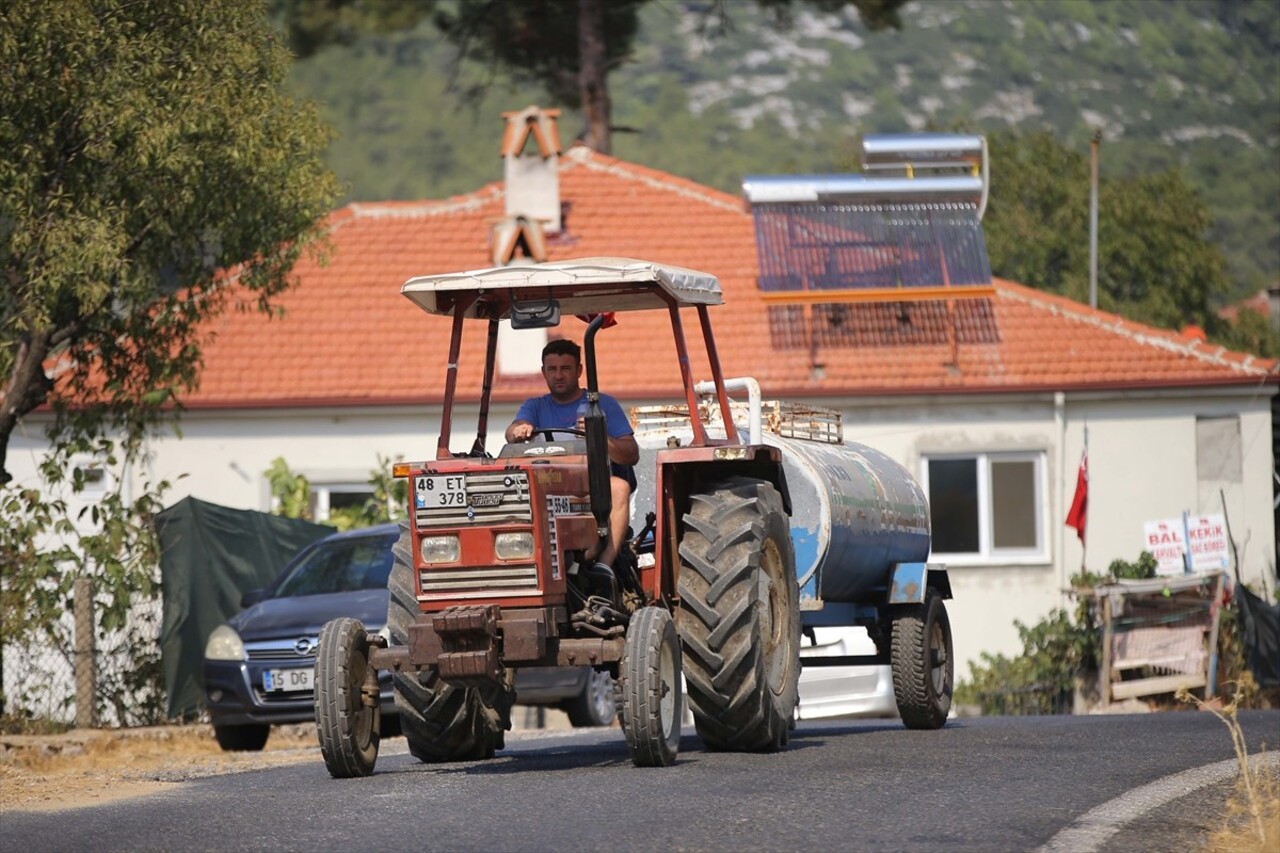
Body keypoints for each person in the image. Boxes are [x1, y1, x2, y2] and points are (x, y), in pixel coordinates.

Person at [504, 339, 639, 578]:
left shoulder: (601, 404)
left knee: (619, 488)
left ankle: (604, 565)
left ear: (578, 371)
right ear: (543, 372)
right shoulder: (534, 406)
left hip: (591, 485)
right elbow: (514, 429)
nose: (558, 375)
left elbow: (630, 454)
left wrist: (598, 435)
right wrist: (518, 430)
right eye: (552, 369)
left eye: (565, 369)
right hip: (552, 485)